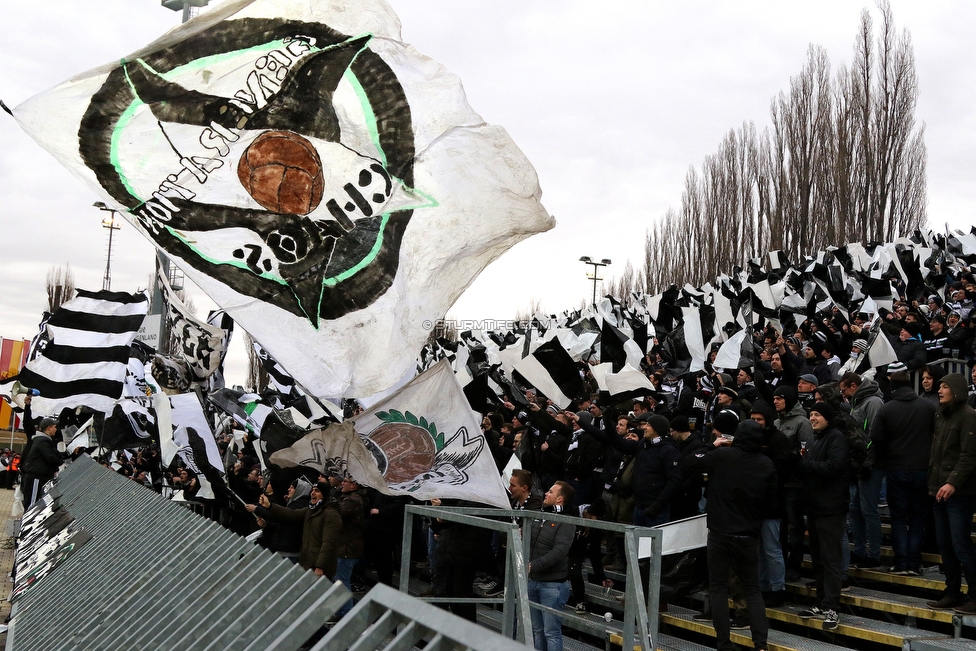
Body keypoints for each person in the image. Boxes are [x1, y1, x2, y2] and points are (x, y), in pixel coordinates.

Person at [682, 419, 776, 651]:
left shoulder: (723, 456)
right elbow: (771, 501)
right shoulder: (766, 464)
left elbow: (689, 462)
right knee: (752, 590)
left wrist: (712, 445)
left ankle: (723, 643)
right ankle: (761, 645)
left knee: (718, 589)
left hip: (720, 532)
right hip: (748, 534)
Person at [869, 371, 935, 576]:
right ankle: (913, 564)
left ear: (893, 387)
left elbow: (876, 438)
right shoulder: (928, 408)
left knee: (898, 519)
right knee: (917, 519)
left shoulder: (887, 409)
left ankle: (901, 563)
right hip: (922, 470)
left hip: (896, 469)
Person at [925, 373, 976, 613]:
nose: (940, 389)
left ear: (957, 390)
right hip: (938, 491)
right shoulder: (940, 415)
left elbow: (969, 456)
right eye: (940, 386)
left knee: (961, 545)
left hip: (960, 493)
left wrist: (952, 483)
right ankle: (952, 592)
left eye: (945, 386)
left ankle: (974, 595)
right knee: (945, 546)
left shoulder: (968, 416)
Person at [798, 402, 850, 631]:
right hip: (815, 506)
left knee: (830, 559)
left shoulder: (836, 437)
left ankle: (832, 607)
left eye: (817, 414)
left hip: (831, 508)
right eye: (811, 414)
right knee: (818, 559)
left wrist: (804, 464)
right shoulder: (812, 440)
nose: (813, 418)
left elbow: (834, 467)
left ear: (827, 417)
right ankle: (820, 602)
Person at [596, 412, 681, 527]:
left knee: (652, 544)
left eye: (648, 425)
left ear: (657, 429)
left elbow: (674, 482)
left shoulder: (669, 451)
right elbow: (620, 443)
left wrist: (657, 505)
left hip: (656, 511)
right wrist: (608, 424)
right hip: (639, 507)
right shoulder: (643, 444)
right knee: (636, 544)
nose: (644, 427)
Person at [249, 481, 341, 576]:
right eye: (312, 490)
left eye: (317, 491)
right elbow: (291, 514)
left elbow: (328, 543)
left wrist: (320, 567)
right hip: (307, 564)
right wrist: (270, 506)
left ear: (324, 495)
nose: (312, 493)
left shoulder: (331, 515)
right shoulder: (311, 510)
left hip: (319, 568)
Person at [527, 481, 575, 651]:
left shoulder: (566, 521)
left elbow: (559, 551)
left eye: (550, 491)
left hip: (552, 585)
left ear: (559, 499)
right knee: (537, 630)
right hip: (533, 581)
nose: (546, 493)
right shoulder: (540, 515)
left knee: (551, 632)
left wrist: (533, 565)